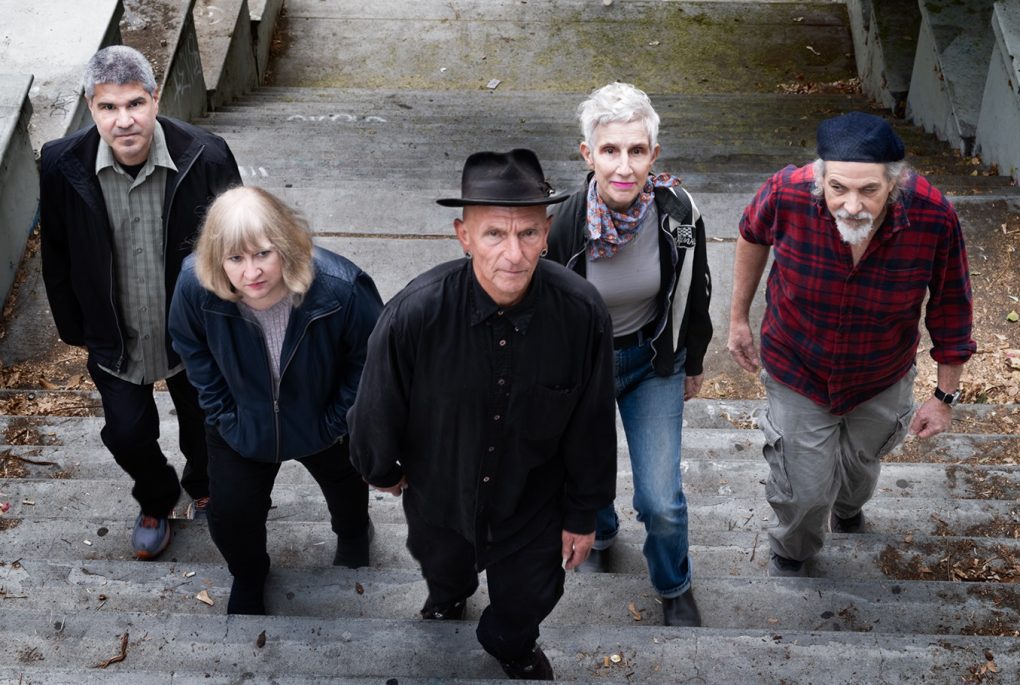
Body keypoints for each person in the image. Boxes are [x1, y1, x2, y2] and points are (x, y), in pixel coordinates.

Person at [348, 149, 616, 680]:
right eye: (494, 233)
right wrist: (382, 470)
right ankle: (449, 597)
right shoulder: (414, 314)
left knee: (530, 599)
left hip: (533, 505)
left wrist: (583, 514)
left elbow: (592, 425)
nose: (514, 254)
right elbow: (376, 406)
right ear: (463, 235)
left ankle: (510, 645)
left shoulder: (583, 314)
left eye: (528, 233)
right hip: (440, 500)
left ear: (547, 233)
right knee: (443, 572)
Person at [727, 111, 976, 577]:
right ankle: (793, 552)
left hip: (880, 374)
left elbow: (952, 305)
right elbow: (751, 234)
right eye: (838, 188)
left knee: (860, 468)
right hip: (798, 366)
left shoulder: (934, 215)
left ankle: (848, 506)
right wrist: (738, 318)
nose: (852, 205)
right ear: (820, 177)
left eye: (869, 190)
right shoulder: (785, 192)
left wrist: (944, 397)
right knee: (805, 491)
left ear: (894, 182)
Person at [39, 45, 242, 559]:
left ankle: (205, 487)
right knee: (126, 435)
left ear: (155, 98)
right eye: (108, 107)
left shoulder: (207, 155)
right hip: (116, 335)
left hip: (193, 334)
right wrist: (75, 327)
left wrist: (234, 323)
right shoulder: (61, 163)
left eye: (134, 103)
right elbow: (57, 251)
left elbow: (238, 244)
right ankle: (156, 497)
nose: (124, 120)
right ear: (91, 107)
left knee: (206, 425)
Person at [168, 186, 383, 614]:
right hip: (241, 423)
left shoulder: (341, 288)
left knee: (346, 486)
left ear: (286, 243)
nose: (251, 273)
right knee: (230, 517)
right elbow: (190, 346)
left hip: (323, 417)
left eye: (263, 253)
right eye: (235, 258)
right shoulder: (195, 285)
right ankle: (250, 574)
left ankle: (354, 534)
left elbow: (373, 357)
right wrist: (224, 414)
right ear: (217, 259)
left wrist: (338, 419)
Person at [546, 82, 712, 626]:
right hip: (582, 371)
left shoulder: (679, 213)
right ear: (587, 154)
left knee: (661, 500)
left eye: (636, 150)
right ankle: (602, 533)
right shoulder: (561, 223)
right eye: (610, 150)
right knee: (582, 471)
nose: (624, 166)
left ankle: (674, 584)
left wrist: (692, 361)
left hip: (651, 363)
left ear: (653, 154)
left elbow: (695, 287)